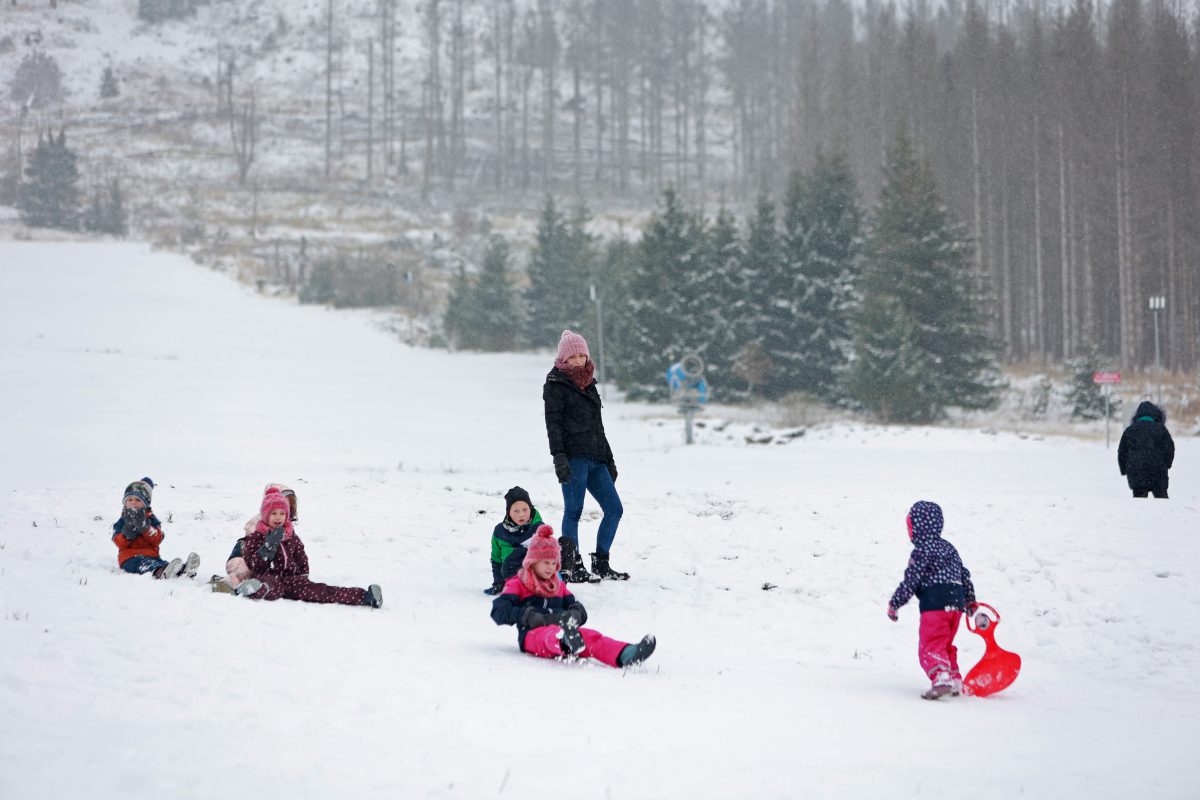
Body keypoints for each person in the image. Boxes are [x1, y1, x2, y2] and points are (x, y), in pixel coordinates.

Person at [490, 525, 655, 668]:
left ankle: (626, 653)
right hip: (531, 636)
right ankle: (565, 641)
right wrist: (528, 616)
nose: (550, 568)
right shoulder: (519, 583)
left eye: (554, 563)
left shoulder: (557, 585)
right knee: (550, 635)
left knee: (590, 636)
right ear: (533, 562)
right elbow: (498, 610)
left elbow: (577, 606)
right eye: (546, 563)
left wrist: (575, 614)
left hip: (565, 630)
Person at [543, 329, 627, 582]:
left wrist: (609, 459)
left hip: (597, 457)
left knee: (614, 509)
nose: (579, 360)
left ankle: (601, 562)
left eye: (582, 355)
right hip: (573, 457)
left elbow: (598, 427)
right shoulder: (555, 385)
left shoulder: (590, 384)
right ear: (564, 359)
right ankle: (572, 564)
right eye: (574, 356)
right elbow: (553, 424)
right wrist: (559, 457)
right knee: (574, 511)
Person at [886, 500, 977, 700]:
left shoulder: (922, 550)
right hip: (957, 602)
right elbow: (964, 574)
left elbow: (912, 580)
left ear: (916, 528)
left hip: (935, 603)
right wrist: (970, 601)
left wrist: (895, 603)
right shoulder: (949, 548)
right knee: (945, 644)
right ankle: (954, 680)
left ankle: (941, 678)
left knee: (931, 645)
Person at [240, 487, 383, 608]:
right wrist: (269, 546)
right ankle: (252, 589)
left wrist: (303, 575)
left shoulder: (291, 536)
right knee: (271, 588)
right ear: (265, 515)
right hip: (269, 577)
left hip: (292, 579)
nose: (278, 517)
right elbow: (254, 565)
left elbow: (301, 557)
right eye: (274, 513)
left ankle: (365, 597)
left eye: (282, 513)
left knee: (322, 591)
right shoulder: (257, 537)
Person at [211, 483, 298, 594]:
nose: (279, 515)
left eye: (286, 508)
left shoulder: (286, 527)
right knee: (246, 572)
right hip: (241, 557)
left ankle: (255, 585)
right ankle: (225, 584)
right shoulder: (260, 521)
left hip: (262, 560)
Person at [111, 477, 199, 580]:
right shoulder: (123, 520)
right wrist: (127, 534)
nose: (133, 502)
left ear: (145, 503)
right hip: (130, 558)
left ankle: (183, 571)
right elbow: (118, 541)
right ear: (125, 503)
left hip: (152, 556)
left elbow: (157, 539)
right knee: (149, 565)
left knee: (161, 563)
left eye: (138, 500)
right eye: (130, 499)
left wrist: (145, 528)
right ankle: (160, 573)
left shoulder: (151, 519)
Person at [484, 486, 545, 595]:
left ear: (531, 509)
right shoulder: (499, 532)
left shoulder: (538, 529)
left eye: (525, 509)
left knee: (563, 543)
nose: (521, 514)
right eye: (516, 510)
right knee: (516, 554)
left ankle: (558, 584)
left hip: (537, 574)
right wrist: (498, 583)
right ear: (509, 513)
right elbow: (496, 559)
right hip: (512, 575)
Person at [1118, 400, 1175, 499]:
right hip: (1158, 472)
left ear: (1137, 415)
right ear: (1155, 414)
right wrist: (1167, 464)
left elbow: (1122, 452)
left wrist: (1124, 469)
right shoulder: (1161, 429)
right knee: (1162, 502)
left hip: (1137, 471)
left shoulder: (1130, 431)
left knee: (1140, 504)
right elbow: (1169, 449)